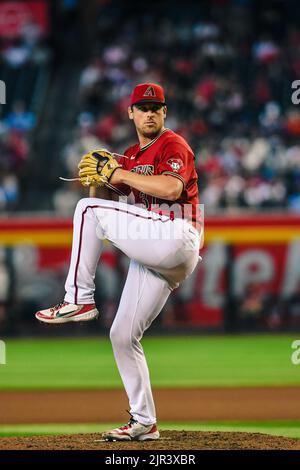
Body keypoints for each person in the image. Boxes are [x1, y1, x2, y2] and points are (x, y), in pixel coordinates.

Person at [35, 83, 203, 441]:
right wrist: (96, 180)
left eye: (156, 107)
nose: (150, 113)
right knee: (122, 335)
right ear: (130, 113)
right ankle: (145, 421)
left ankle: (78, 298)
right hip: (158, 251)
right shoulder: (129, 155)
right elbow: (106, 198)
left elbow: (172, 190)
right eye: (142, 107)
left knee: (87, 211)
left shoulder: (173, 144)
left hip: (178, 233)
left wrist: (115, 175)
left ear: (165, 112)